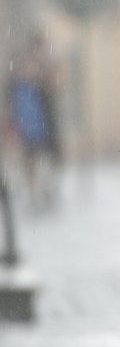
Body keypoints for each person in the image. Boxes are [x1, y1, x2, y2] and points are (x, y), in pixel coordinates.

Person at [5, 33, 61, 213]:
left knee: (44, 161)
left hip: (42, 127)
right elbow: (11, 103)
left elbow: (54, 89)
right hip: (26, 126)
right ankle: (34, 193)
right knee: (28, 161)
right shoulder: (17, 82)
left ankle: (44, 193)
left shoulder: (43, 77)